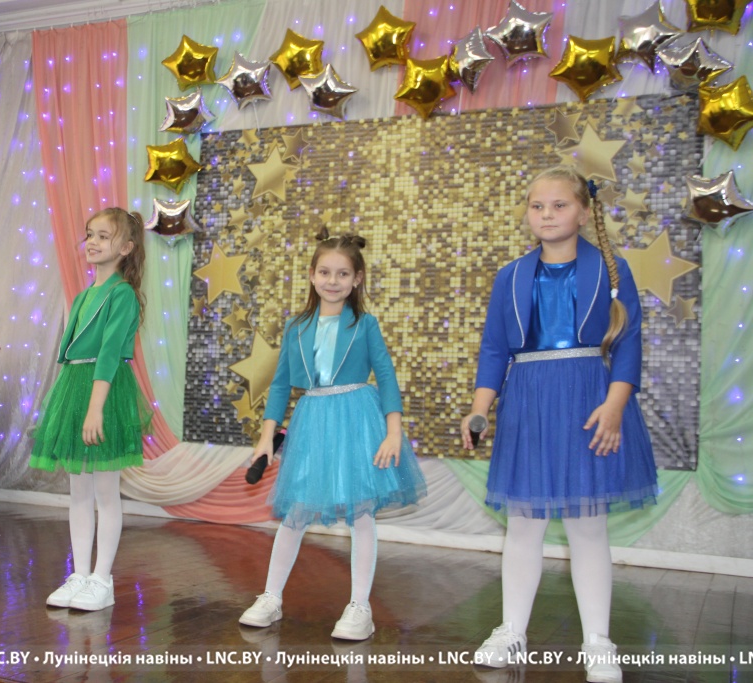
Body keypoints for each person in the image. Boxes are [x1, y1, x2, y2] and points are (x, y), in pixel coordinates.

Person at [462, 166, 657, 683]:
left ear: (584, 212)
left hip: (588, 401)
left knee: (587, 526)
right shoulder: (510, 275)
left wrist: (615, 405)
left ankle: (598, 641)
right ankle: (511, 630)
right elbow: (494, 349)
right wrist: (480, 408)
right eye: (537, 206)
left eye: (559, 205)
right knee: (523, 525)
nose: (546, 215)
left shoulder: (611, 271)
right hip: (528, 404)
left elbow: (629, 344)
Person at [239, 229, 427, 641]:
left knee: (361, 512)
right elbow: (280, 384)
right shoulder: (297, 326)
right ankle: (271, 596)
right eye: (324, 272)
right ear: (311, 275)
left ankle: (360, 606)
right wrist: (266, 437)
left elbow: (387, 377)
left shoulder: (365, 324)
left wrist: (393, 432)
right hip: (313, 421)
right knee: (296, 511)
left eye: (343, 274)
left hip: (357, 420)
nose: (332, 280)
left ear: (357, 279)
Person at [30, 208, 150, 611]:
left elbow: (110, 353)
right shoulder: (83, 295)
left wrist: (95, 408)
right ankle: (79, 574)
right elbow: (70, 353)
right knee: (78, 490)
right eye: (90, 234)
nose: (93, 242)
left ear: (126, 248)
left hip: (105, 390)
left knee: (105, 491)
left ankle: (102, 579)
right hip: (75, 386)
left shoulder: (122, 294)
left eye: (104, 236)